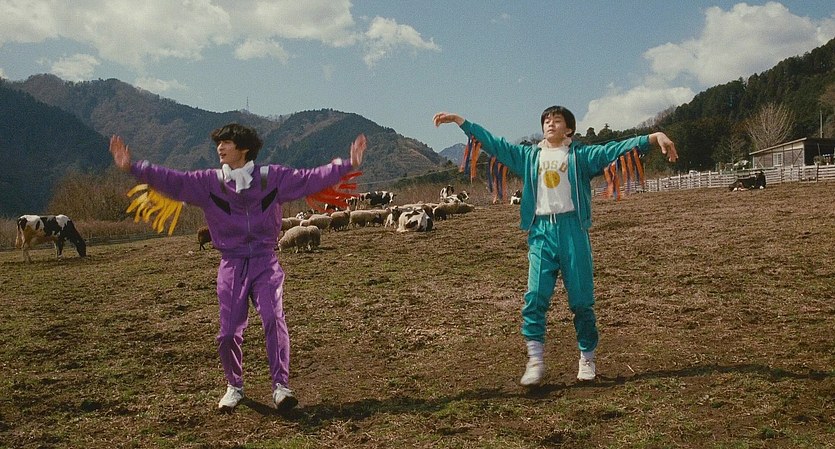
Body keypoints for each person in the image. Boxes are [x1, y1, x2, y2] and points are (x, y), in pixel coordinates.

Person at [108, 124, 366, 411]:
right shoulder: (209, 183)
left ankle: (281, 387)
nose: (220, 147)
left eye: (227, 142)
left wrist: (347, 164)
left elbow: (309, 179)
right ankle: (234, 386)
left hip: (265, 262)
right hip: (231, 264)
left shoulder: (271, 178)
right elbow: (174, 181)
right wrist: (134, 167)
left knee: (273, 319)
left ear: (244, 148)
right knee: (229, 332)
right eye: (218, 143)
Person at [433, 107, 677, 386]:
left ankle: (587, 357)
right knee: (535, 296)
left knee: (582, 301)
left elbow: (613, 149)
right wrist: (461, 121)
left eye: (557, 120)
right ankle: (535, 360)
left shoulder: (580, 156)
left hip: (573, 230)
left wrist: (653, 137)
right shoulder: (529, 156)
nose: (550, 123)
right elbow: (494, 144)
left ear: (568, 129)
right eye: (546, 120)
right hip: (541, 232)